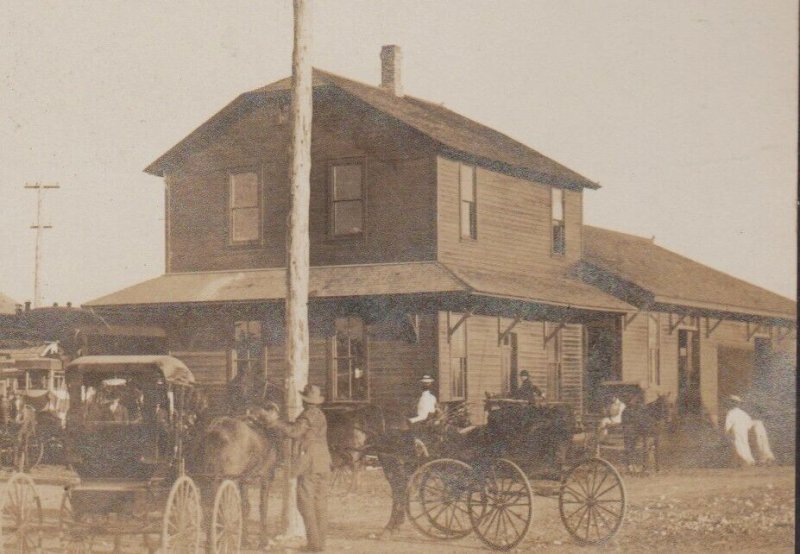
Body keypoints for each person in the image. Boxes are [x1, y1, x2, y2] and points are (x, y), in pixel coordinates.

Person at [262, 384, 331, 552]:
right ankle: (320, 544)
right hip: (323, 463)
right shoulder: (320, 414)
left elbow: (294, 431)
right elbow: (298, 427)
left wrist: (273, 422)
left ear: (305, 400)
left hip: (309, 464)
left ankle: (314, 546)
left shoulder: (307, 415)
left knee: (305, 504)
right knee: (320, 504)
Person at [724, 395, 775, 467]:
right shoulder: (737, 413)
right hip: (739, 434)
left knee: (757, 425)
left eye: (734, 402)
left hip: (742, 434)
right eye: (732, 402)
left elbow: (728, 427)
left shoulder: (737, 413)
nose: (733, 404)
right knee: (741, 432)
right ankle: (749, 459)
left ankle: (762, 458)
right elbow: (727, 431)